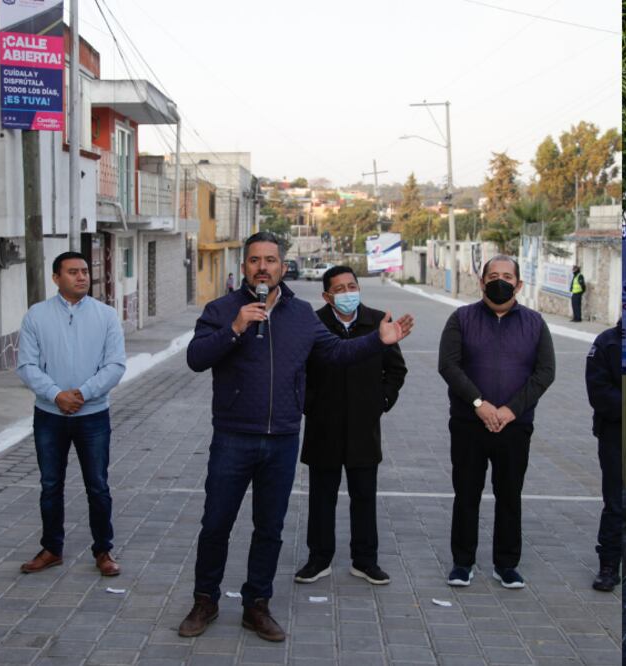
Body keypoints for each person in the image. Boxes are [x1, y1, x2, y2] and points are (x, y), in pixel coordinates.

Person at [179, 233, 414, 642]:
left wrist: (377, 340)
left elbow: (336, 354)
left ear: (283, 267)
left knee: (269, 528)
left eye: (270, 260)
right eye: (255, 260)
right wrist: (234, 328)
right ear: (245, 266)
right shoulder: (221, 309)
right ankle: (205, 601)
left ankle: (257, 605)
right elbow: (196, 359)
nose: (263, 267)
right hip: (233, 437)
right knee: (216, 523)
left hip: (282, 439)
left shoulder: (301, 314)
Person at [438, 255, 555, 590]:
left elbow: (545, 372)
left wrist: (510, 410)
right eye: (493, 275)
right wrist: (480, 404)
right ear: (482, 281)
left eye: (507, 276)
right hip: (468, 424)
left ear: (519, 284)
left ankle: (506, 565)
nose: (499, 281)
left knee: (509, 495)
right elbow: (449, 366)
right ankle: (463, 563)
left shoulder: (534, 323)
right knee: (466, 493)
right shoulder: (461, 319)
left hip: (514, 426)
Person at [294, 266, 407, 587]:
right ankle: (319, 559)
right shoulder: (312, 324)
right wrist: (310, 405)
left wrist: (381, 402)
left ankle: (365, 560)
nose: (348, 293)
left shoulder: (378, 321)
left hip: (363, 426)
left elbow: (396, 370)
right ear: (327, 296)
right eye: (340, 289)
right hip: (323, 426)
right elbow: (298, 371)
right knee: (321, 497)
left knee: (364, 495)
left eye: (352, 286)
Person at [15, 252, 126, 577]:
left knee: (98, 485)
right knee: (50, 484)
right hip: (49, 416)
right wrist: (55, 395)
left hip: (93, 416)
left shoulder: (105, 315)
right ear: (56, 278)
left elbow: (115, 364)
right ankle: (51, 549)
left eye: (84, 271)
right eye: (73, 272)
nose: (81, 277)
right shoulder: (36, 316)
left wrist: (82, 394)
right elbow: (26, 365)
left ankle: (103, 550)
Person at [587, 321, 622, 592]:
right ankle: (608, 565)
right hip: (614, 432)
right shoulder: (606, 343)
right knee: (615, 500)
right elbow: (598, 392)